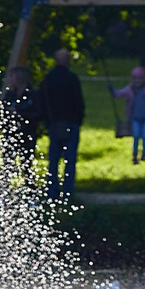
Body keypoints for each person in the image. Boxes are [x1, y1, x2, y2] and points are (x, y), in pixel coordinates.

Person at [35, 43, 87, 196]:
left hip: (54, 122)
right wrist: (78, 119)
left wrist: (46, 119)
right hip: (70, 121)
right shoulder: (72, 78)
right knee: (69, 158)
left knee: (54, 159)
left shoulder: (48, 79)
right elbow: (78, 101)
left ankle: (52, 190)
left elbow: (42, 100)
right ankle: (68, 190)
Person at [0, 62, 41, 187]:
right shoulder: (10, 94)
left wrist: (19, 113)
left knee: (26, 163)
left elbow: (37, 114)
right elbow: (2, 110)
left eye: (13, 76)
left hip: (27, 132)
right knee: (7, 163)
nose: (11, 80)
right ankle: (5, 187)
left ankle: (29, 188)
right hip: (10, 132)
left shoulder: (32, 95)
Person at [113, 65, 145, 163]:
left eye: (139, 79)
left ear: (144, 79)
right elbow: (119, 93)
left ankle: (144, 154)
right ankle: (135, 155)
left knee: (144, 136)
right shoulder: (129, 89)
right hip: (135, 118)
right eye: (135, 79)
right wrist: (112, 91)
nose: (137, 81)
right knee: (136, 136)